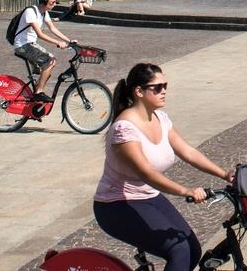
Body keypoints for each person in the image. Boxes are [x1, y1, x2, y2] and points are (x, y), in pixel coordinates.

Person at [94, 62, 235, 271]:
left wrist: (225, 174)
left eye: (165, 86)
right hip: (116, 204)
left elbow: (188, 152)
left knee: (193, 250)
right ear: (139, 91)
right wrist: (185, 190)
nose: (164, 91)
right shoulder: (124, 129)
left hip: (148, 197)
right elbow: (146, 173)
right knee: (178, 249)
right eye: (157, 87)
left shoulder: (160, 118)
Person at [12, 0, 74, 99]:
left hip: (30, 44)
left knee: (51, 63)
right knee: (49, 61)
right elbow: (40, 34)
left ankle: (36, 91)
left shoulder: (44, 13)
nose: (55, 4)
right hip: (23, 45)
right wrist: (58, 42)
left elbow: (53, 28)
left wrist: (69, 41)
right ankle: (38, 92)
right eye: (52, 2)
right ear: (44, 2)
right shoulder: (30, 11)